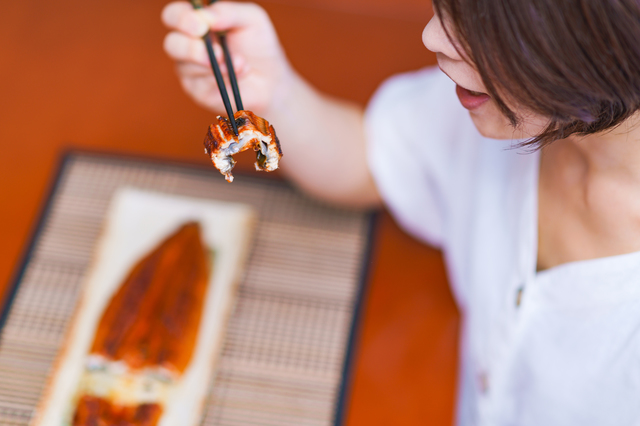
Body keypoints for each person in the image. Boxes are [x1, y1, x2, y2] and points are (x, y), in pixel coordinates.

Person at [162, 1, 640, 424]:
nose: (432, 35)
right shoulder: (512, 108)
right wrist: (273, 92)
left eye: (491, 21)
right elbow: (368, 159)